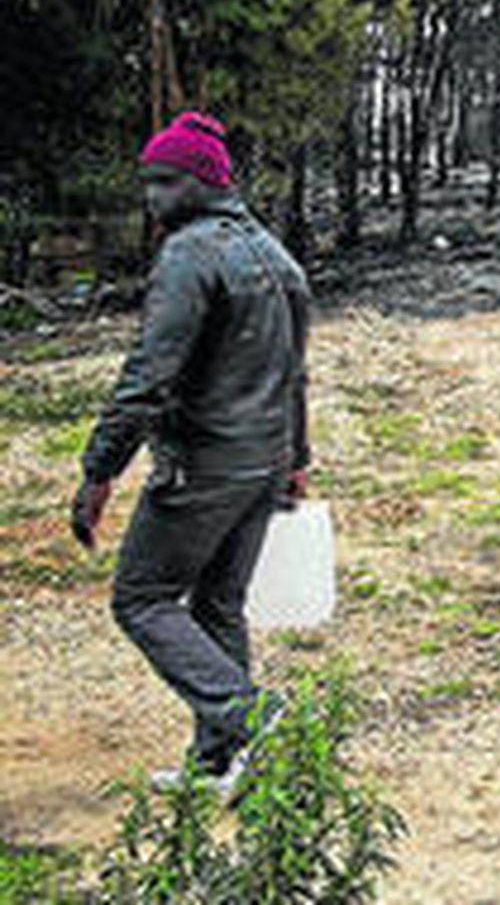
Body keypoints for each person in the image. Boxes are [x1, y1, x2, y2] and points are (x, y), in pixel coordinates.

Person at [70, 110, 312, 795]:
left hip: (205, 464)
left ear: (203, 181)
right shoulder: (278, 256)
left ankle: (253, 714)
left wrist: (98, 471)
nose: (152, 197)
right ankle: (221, 761)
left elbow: (149, 374)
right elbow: (294, 374)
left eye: (164, 181)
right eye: (148, 181)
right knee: (216, 605)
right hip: (262, 461)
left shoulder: (190, 255)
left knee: (140, 597)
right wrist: (296, 459)